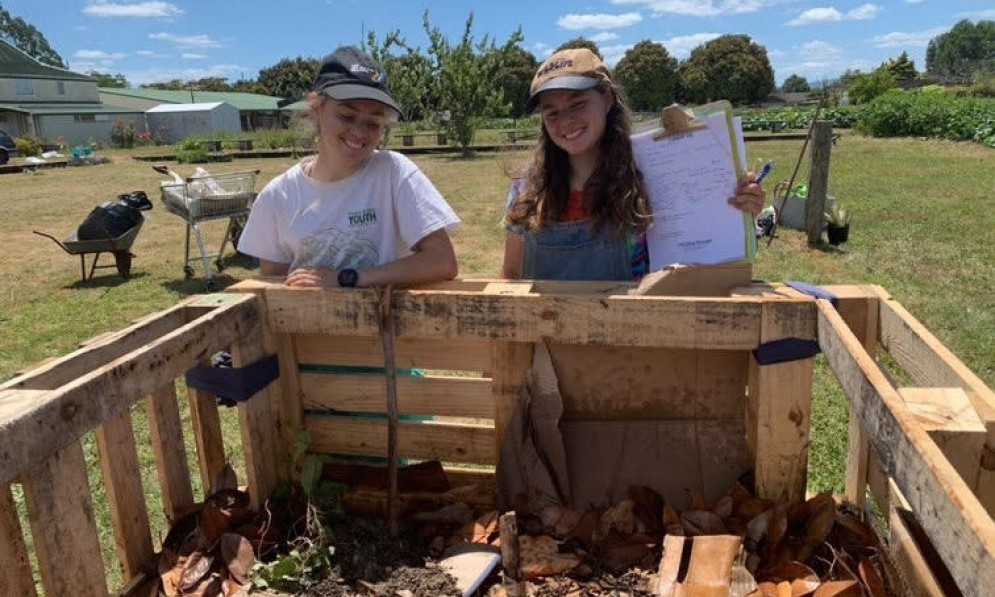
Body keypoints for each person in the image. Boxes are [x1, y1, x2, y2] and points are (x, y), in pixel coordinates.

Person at [502, 48, 765, 281]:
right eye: (552, 112)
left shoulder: (650, 174)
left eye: (578, 104)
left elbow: (698, 262)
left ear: (607, 98)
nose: (565, 121)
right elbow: (511, 275)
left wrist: (736, 211)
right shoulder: (527, 189)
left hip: (634, 330)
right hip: (548, 333)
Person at [239, 45, 460, 289]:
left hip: (386, 323)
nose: (359, 133)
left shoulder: (393, 172)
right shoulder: (278, 196)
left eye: (374, 123)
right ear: (317, 107)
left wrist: (348, 279)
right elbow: (273, 287)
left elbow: (442, 261)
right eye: (346, 116)